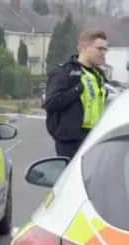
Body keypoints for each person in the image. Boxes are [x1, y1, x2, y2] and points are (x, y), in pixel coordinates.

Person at [44, 30, 109, 158]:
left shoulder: (98, 75)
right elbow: (51, 103)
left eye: (105, 49)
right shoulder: (65, 72)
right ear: (85, 47)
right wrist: (77, 90)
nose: (103, 53)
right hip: (71, 143)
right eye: (100, 49)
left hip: (94, 138)